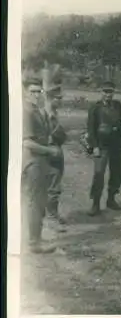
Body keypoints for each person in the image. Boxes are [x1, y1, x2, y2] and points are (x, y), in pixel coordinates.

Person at [21, 77, 58, 253]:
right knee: (34, 202)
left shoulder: (38, 110)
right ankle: (34, 243)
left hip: (40, 160)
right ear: (26, 92)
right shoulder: (26, 112)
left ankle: (37, 238)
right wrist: (49, 150)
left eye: (38, 91)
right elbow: (26, 142)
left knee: (39, 201)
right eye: (32, 91)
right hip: (32, 161)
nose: (36, 94)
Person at [87, 81, 121, 216]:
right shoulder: (95, 108)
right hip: (102, 145)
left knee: (116, 172)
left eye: (110, 92)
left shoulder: (117, 106)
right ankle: (95, 203)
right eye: (105, 91)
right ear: (101, 92)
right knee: (99, 173)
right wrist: (94, 146)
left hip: (116, 144)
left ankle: (111, 199)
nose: (108, 94)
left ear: (114, 93)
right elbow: (91, 128)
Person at [44, 84, 68, 233]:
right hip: (49, 152)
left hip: (56, 150)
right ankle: (50, 219)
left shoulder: (54, 113)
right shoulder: (45, 114)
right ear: (50, 98)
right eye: (57, 98)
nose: (60, 100)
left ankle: (53, 214)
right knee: (52, 186)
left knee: (56, 184)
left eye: (60, 98)